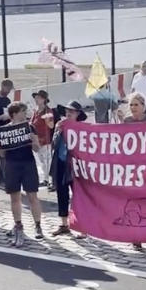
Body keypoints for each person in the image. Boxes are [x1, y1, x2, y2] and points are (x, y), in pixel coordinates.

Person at [115, 94, 146, 250]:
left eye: (136, 105)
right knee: (135, 204)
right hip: (133, 167)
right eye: (131, 105)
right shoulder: (127, 121)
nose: (133, 108)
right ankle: (136, 237)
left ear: (144, 106)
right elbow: (121, 140)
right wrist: (120, 122)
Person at [1, 103, 44, 245]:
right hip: (12, 165)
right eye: (22, 111)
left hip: (28, 164)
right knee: (15, 197)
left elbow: (37, 149)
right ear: (14, 114)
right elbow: (2, 153)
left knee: (32, 195)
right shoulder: (5, 130)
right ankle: (18, 224)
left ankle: (38, 225)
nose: (25, 113)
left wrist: (34, 142)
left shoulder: (30, 127)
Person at [50, 102, 85, 238]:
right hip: (61, 163)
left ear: (77, 114)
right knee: (62, 193)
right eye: (67, 111)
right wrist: (57, 131)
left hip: (76, 165)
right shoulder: (61, 125)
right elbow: (53, 145)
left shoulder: (82, 128)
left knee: (78, 195)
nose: (68, 113)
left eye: (72, 111)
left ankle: (82, 226)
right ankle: (64, 224)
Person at [30, 91, 56, 187]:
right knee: (42, 161)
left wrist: (47, 121)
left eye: (38, 98)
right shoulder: (35, 110)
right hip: (37, 140)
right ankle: (46, 179)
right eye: (36, 98)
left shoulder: (48, 111)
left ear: (44, 100)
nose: (36, 100)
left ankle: (50, 180)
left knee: (47, 161)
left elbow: (51, 125)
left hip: (45, 140)